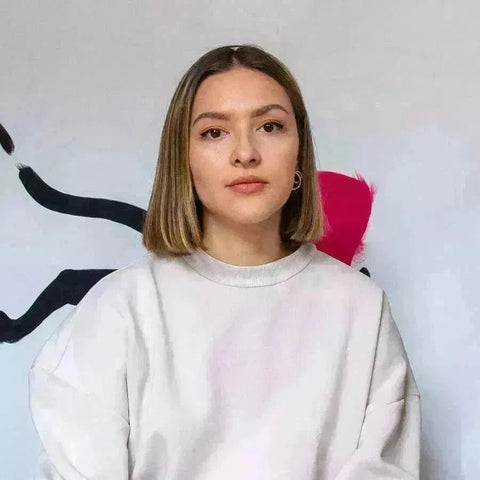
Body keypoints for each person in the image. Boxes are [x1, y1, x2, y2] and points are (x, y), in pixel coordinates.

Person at [29, 44, 421, 479]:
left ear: (299, 154)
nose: (245, 153)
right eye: (214, 132)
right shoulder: (119, 310)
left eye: (270, 126)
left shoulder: (362, 309)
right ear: (184, 160)